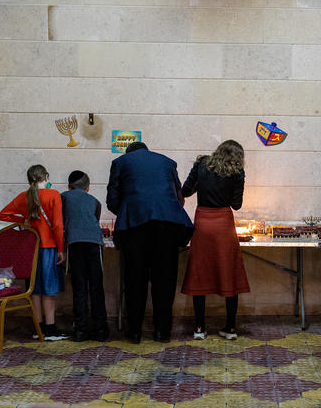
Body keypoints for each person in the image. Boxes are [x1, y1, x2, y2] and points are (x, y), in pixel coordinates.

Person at [107, 142, 194, 344]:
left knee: (135, 279)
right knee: (164, 280)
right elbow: (179, 198)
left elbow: (112, 199)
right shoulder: (167, 162)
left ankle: (135, 332)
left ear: (129, 152)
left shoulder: (120, 162)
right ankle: (162, 332)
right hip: (167, 225)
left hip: (135, 227)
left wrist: (130, 211)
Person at [180, 140, 251, 340]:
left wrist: (203, 185)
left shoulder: (202, 164)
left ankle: (199, 328)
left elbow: (185, 191)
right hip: (223, 225)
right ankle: (230, 328)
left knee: (199, 272)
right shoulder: (237, 172)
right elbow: (236, 205)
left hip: (202, 221)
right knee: (229, 272)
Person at [0, 165, 68, 341]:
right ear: (46, 176)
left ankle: (38, 328)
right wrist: (61, 249)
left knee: (34, 289)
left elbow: (3, 214)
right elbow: (58, 226)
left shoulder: (24, 196)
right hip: (49, 247)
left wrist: (24, 220)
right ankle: (50, 329)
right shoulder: (53, 195)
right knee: (49, 289)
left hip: (32, 249)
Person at [61, 170, 109, 343]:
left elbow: (60, 221)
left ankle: (80, 330)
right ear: (88, 188)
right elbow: (94, 220)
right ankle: (101, 330)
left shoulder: (63, 198)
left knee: (79, 287)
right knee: (96, 287)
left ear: (69, 186)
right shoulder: (95, 201)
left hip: (74, 243)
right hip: (94, 244)